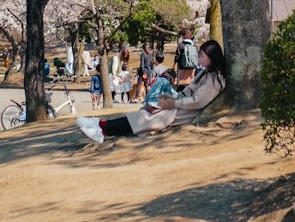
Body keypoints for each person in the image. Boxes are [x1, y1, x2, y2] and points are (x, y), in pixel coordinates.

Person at [77, 40, 227, 145]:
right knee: (143, 114)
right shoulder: (207, 73)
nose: (198, 59)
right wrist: (170, 99)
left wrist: (172, 103)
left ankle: (102, 127)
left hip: (183, 113)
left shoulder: (215, 79)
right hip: (178, 108)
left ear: (212, 57)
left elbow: (197, 101)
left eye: (202, 56)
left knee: (144, 117)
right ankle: (101, 127)